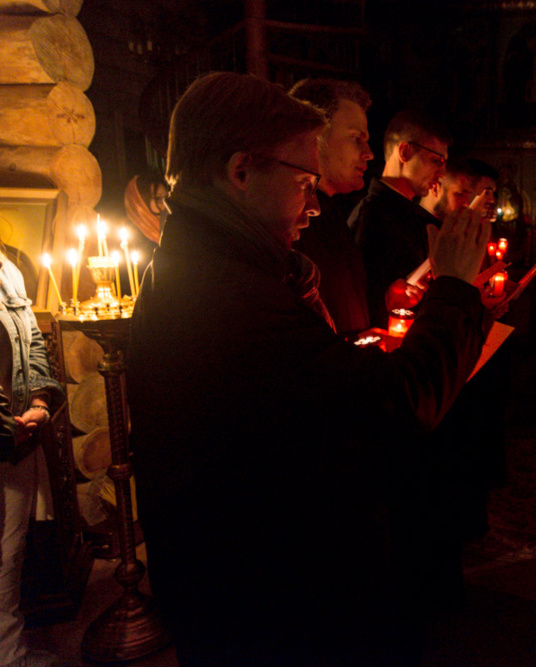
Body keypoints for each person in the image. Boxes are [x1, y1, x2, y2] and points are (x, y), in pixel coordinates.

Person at [128, 72, 489, 666]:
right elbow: (402, 404)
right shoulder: (223, 291)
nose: (316, 203)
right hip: (265, 605)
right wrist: (452, 286)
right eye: (302, 181)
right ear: (242, 170)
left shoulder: (221, 265)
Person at [0, 252, 62, 667]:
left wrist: (39, 401)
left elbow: (33, 342)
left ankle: (10, 653)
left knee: (9, 550)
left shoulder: (7, 268)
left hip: (17, 433)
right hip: (6, 430)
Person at [348, 110, 451, 327]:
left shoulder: (413, 216)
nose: (442, 173)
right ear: (404, 151)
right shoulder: (372, 217)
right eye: (436, 160)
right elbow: (358, 304)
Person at [289, 78, 375, 336]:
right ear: (316, 134)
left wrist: (385, 306)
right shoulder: (290, 224)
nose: (369, 152)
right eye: (356, 139)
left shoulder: (334, 215)